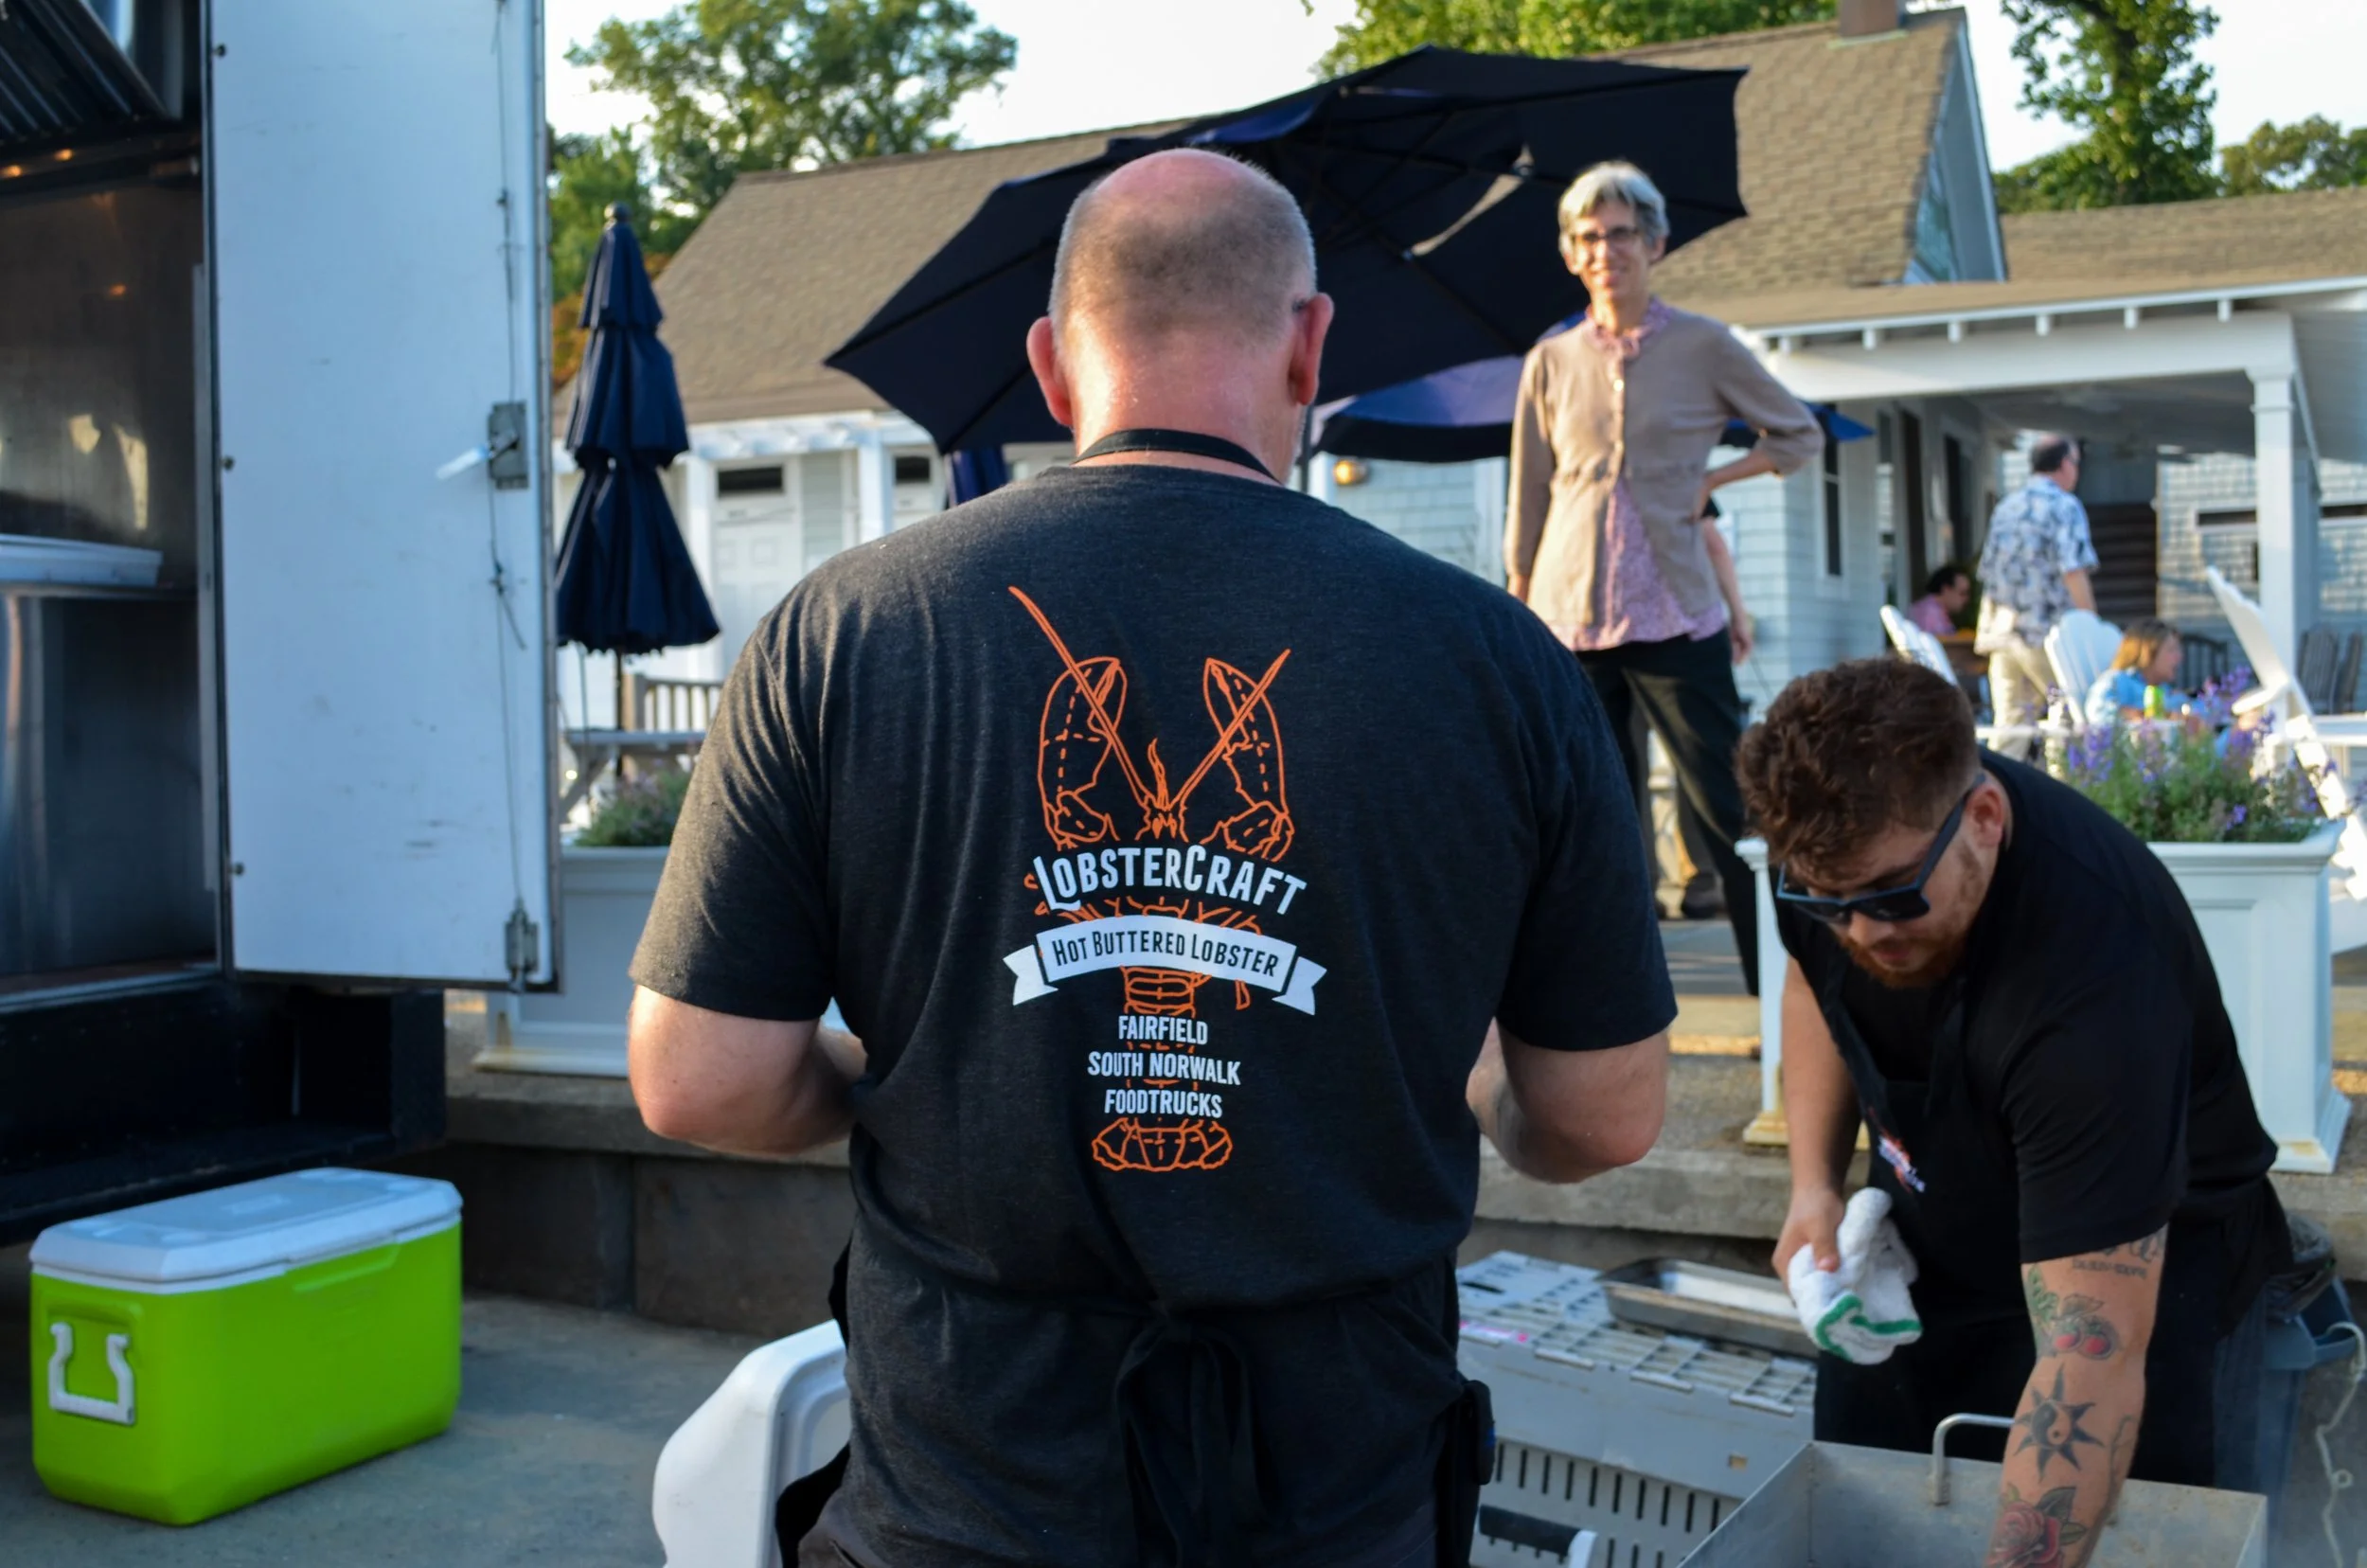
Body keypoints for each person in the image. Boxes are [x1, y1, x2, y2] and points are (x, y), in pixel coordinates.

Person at [627, 148, 1676, 1568]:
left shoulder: (841, 630)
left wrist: (908, 1072)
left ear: (1052, 365)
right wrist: (1479, 1077)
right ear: (1310, 345)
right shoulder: (1502, 660)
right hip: (1339, 1489)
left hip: (962, 1490)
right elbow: (1602, 1118)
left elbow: (699, 1080)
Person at [1736, 659, 2289, 1563]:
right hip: (1935, 1229)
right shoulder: (1830, 859)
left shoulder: (2091, 994)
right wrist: (1812, 1184)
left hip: (2138, 1261)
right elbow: (1812, 982)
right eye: (1828, 903)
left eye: (1893, 896)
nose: (1864, 932)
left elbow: (2091, 1361)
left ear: (1985, 818)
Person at [1506, 160, 1823, 995]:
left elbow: (1798, 435)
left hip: (1678, 611)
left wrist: (1712, 479)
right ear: (1570, 254)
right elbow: (1529, 491)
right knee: (1592, 811)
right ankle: (1608, 994)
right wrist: (1518, 597)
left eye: (1621, 234)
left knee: (1725, 799)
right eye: (1588, 237)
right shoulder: (1550, 360)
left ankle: (1779, 990)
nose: (1605, 250)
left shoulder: (1705, 345)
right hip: (1570, 614)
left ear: (1655, 244)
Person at [1976, 436, 2097, 757]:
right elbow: (2073, 570)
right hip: (2047, 636)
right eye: (2076, 463)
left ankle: (2000, 786)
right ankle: (2065, 782)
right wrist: (2091, 627)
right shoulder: (2064, 506)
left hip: (2003, 633)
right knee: (2070, 716)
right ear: (2064, 464)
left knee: (2010, 727)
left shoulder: (2006, 507)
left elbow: (1988, 571)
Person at [2084, 617, 2192, 729]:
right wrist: (2141, 716)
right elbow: (2098, 711)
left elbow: (2195, 710)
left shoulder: (2165, 690)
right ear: (2148, 652)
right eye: (2172, 650)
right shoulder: (2119, 680)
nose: (2180, 657)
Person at [1907, 564, 1971, 638]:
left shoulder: (1935, 611)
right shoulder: (1929, 613)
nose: (1966, 599)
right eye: (1962, 593)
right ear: (1946, 589)